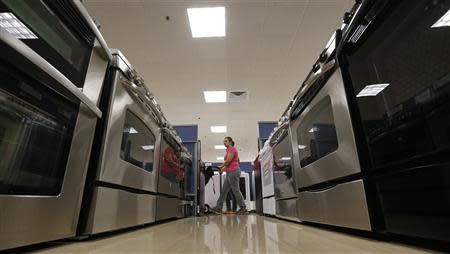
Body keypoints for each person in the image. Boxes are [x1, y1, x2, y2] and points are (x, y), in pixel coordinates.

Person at [211, 137, 248, 215]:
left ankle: (243, 208)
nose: (224, 142)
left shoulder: (231, 149)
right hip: (230, 172)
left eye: (226, 141)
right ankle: (218, 207)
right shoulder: (228, 150)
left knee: (236, 190)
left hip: (233, 172)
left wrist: (221, 166)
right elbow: (229, 164)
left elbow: (228, 161)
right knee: (224, 191)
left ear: (230, 142)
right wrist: (222, 169)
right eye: (223, 141)